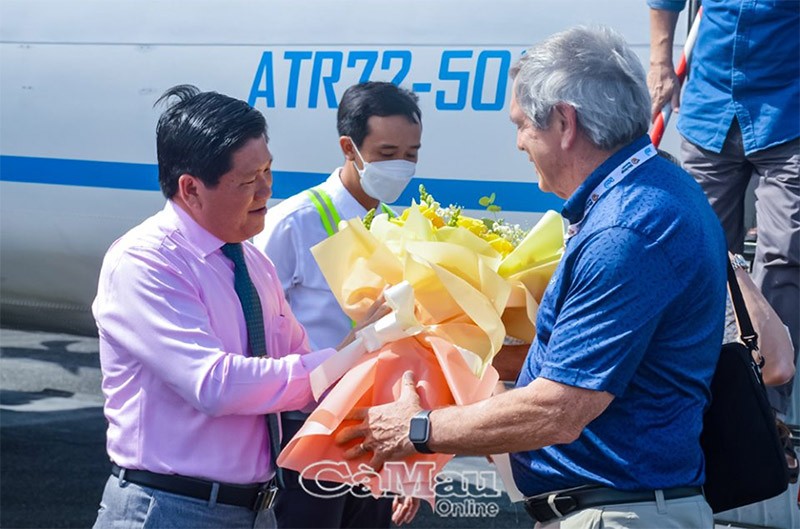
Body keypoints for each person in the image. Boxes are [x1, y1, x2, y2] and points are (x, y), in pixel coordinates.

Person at [336, 26, 728, 528]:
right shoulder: (654, 196)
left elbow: (559, 410)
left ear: (564, 122)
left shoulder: (627, 230)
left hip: (614, 512)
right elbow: (586, 370)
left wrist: (417, 428)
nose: (519, 142)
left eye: (522, 125)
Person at [91, 85, 373, 529]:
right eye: (247, 180)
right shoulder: (145, 261)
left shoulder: (251, 261)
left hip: (256, 508)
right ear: (190, 189)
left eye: (268, 170)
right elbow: (214, 384)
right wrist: (352, 353)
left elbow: (299, 363)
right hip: (170, 508)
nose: (266, 189)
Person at [253, 81, 421, 528]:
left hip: (371, 428)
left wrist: (408, 468)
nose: (401, 166)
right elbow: (253, 329)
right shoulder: (294, 223)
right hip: (309, 423)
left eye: (412, 153)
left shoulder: (395, 225)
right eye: (387, 153)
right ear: (350, 147)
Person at [647, 0, 800, 416]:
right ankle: (694, 398)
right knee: (697, 255)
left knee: (785, 256)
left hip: (789, 111)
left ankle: (764, 412)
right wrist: (660, 61)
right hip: (710, 107)